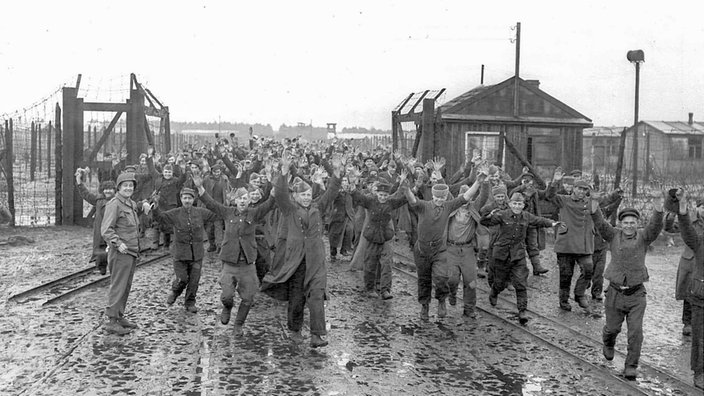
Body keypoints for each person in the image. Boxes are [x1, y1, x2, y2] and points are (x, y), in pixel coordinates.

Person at [261, 152, 341, 347]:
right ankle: (295, 329)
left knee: (316, 295)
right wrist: (284, 170)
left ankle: (317, 334)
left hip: (316, 260)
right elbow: (279, 194)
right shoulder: (289, 209)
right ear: (295, 196)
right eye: (302, 195)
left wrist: (337, 172)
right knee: (296, 298)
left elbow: (331, 192)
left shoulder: (317, 207)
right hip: (296, 260)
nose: (306, 198)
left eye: (308, 195)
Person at [590, 192, 664, 380]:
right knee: (612, 328)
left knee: (636, 333)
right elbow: (599, 222)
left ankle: (631, 365)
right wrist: (594, 203)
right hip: (615, 293)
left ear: (637, 224)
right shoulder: (613, 235)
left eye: (633, 222)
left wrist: (657, 204)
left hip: (636, 294)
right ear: (620, 224)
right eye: (626, 222)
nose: (629, 226)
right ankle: (608, 341)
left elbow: (655, 226)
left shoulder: (644, 237)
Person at [192, 174, 276, 335]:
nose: (243, 201)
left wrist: (274, 188)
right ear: (235, 201)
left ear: (249, 200)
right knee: (226, 295)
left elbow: (269, 204)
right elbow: (211, 204)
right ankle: (227, 307)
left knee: (248, 297)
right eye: (239, 199)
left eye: (245, 198)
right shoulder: (227, 212)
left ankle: (238, 325)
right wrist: (199, 187)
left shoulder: (254, 213)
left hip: (247, 263)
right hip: (229, 262)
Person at [402, 180, 483, 320]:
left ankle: (441, 300)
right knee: (423, 279)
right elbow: (412, 200)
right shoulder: (424, 206)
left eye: (442, 197)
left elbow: (465, 197)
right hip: (421, 249)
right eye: (437, 197)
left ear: (446, 197)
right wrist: (406, 187)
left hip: (439, 250)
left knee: (441, 277)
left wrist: (478, 182)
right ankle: (424, 306)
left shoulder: (448, 206)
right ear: (432, 196)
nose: (439, 200)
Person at [481, 192, 560, 324]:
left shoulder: (526, 216)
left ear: (523, 205)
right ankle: (494, 292)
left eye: (520, 204)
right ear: (510, 204)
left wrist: (552, 224)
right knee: (500, 283)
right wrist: (489, 215)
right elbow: (484, 222)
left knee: (521, 283)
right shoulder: (502, 214)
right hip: (501, 255)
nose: (517, 206)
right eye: (515, 204)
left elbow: (539, 220)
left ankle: (522, 311)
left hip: (518, 255)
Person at [151, 187, 218, 313]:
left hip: (196, 254)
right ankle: (175, 291)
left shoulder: (201, 212)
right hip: (180, 254)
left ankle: (190, 302)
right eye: (184, 198)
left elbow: (216, 214)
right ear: (181, 199)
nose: (187, 200)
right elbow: (161, 217)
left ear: (193, 199)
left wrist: (229, 203)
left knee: (194, 281)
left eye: (190, 198)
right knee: (182, 279)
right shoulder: (175, 213)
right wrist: (155, 207)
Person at [101, 172, 150, 335]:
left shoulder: (129, 203)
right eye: (125, 186)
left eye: (131, 186)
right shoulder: (114, 204)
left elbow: (134, 217)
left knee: (126, 286)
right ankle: (111, 321)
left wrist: (145, 206)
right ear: (119, 188)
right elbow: (106, 230)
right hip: (121, 251)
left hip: (131, 251)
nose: (128, 188)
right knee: (118, 286)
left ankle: (119, 316)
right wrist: (118, 243)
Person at [350, 171, 408, 300]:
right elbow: (358, 197)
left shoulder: (391, 203)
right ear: (377, 193)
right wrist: (353, 186)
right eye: (381, 195)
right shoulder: (370, 201)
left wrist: (406, 185)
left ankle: (385, 290)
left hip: (386, 237)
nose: (383, 197)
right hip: (371, 237)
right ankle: (370, 288)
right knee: (370, 263)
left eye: (385, 195)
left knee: (387, 263)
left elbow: (404, 199)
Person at [546, 170, 596, 311]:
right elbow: (549, 195)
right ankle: (563, 300)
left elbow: (604, 200)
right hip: (566, 244)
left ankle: (579, 294)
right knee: (566, 274)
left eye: (584, 189)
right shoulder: (564, 200)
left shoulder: (590, 203)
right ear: (573, 188)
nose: (581, 191)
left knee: (588, 269)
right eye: (579, 188)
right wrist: (554, 182)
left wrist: (618, 193)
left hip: (584, 245)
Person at [445, 176, 489, 318]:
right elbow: (445, 193)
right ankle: (452, 292)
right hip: (450, 248)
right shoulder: (452, 207)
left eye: (469, 198)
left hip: (468, 249)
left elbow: (483, 196)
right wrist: (439, 176)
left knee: (471, 281)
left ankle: (469, 308)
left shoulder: (473, 208)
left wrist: (485, 182)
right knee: (452, 279)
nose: (465, 201)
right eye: (462, 197)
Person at [673, 191, 704, 389]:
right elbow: (686, 231)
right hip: (701, 294)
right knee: (700, 338)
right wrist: (683, 210)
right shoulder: (699, 239)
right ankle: (700, 373)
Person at [75, 169, 115, 275]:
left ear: (114, 190)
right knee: (101, 249)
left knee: (114, 248)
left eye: (110, 189)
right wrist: (79, 182)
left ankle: (114, 268)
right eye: (106, 189)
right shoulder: (98, 200)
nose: (108, 191)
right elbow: (86, 194)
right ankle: (102, 267)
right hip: (101, 230)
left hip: (113, 229)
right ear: (102, 190)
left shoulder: (118, 201)